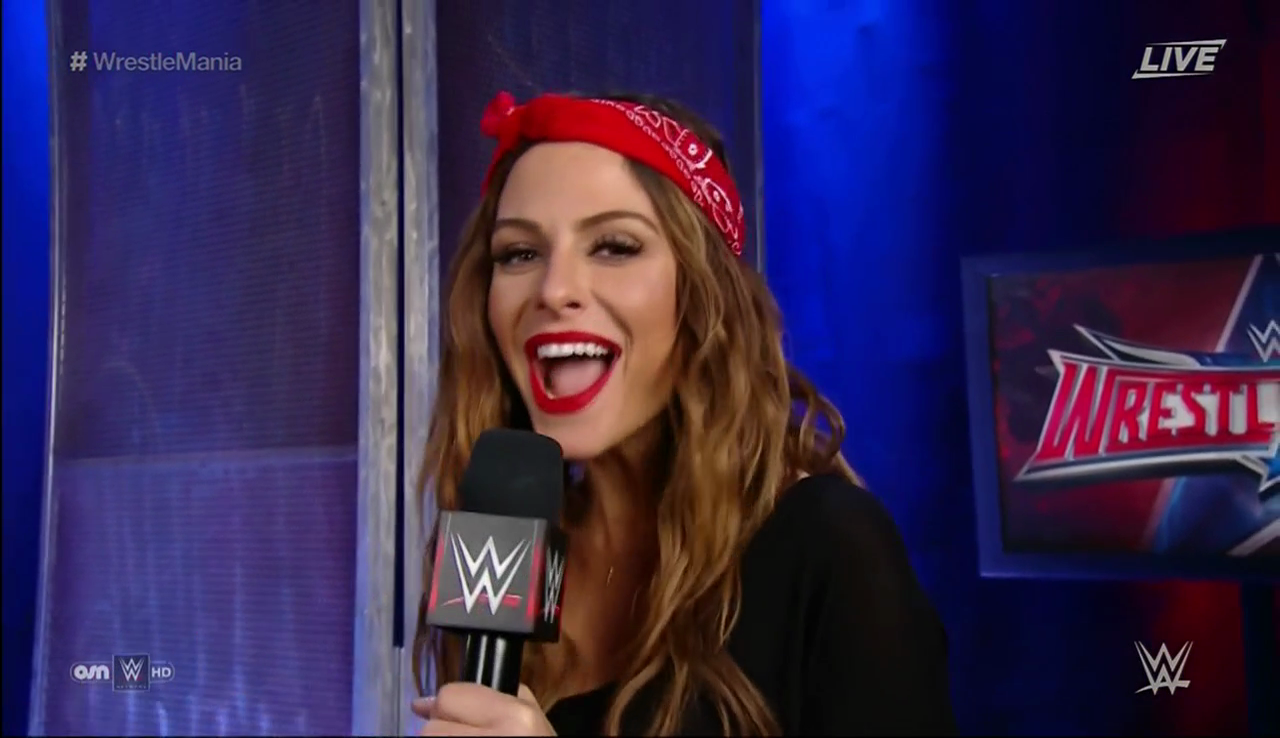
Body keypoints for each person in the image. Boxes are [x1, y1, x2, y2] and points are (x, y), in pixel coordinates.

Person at [410, 90, 955, 736]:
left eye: (614, 246)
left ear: (702, 296)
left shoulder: (828, 547)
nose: (553, 290)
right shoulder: (500, 542)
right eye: (519, 254)